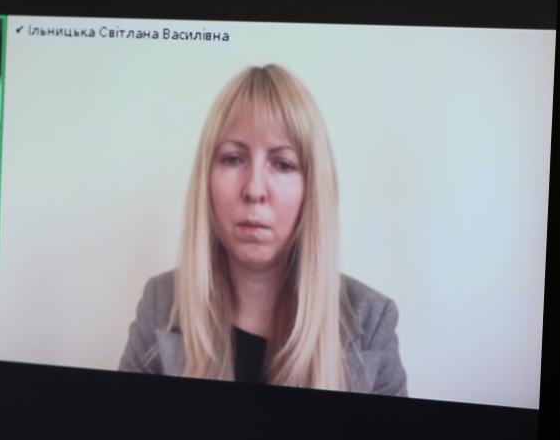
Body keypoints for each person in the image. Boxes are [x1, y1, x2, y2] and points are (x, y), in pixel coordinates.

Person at [118, 65, 407, 395]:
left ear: (313, 188)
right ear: (206, 179)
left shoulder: (371, 322)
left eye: (283, 164)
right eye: (233, 158)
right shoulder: (161, 303)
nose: (254, 189)